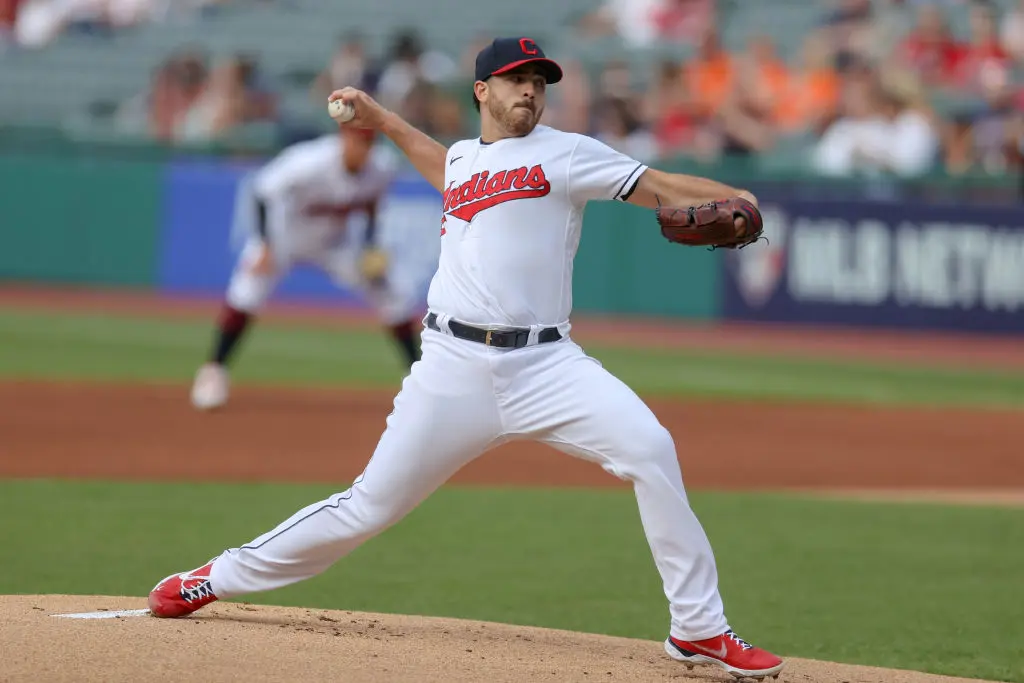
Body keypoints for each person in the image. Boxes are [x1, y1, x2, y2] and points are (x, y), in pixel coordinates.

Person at [152, 36, 784, 680]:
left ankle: (699, 630)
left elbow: (660, 184)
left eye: (540, 80)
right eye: (516, 79)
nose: (530, 90)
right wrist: (387, 120)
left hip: (549, 367)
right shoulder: (462, 161)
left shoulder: (567, 153)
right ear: (482, 90)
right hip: (451, 367)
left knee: (650, 450)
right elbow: (442, 164)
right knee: (367, 506)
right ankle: (214, 576)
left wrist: (739, 195)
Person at [189, 125, 423, 411]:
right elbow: (262, 189)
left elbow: (372, 203)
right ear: (343, 138)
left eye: (368, 142)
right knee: (246, 291)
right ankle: (213, 372)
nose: (362, 147)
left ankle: (418, 377)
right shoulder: (309, 161)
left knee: (391, 292)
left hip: (334, 244)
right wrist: (265, 244)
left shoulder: (382, 167)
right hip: (285, 237)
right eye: (357, 140)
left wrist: (370, 245)